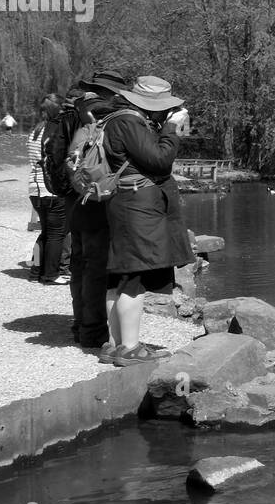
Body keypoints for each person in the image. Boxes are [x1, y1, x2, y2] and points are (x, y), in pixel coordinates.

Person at [96, 76, 193, 366]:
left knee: (118, 277)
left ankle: (115, 344)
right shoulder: (129, 122)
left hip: (126, 202)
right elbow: (160, 161)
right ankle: (130, 348)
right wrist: (172, 129)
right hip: (136, 206)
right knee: (133, 277)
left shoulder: (117, 119)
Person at [65, 71, 130, 349]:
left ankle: (81, 324)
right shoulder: (105, 119)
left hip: (77, 198)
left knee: (80, 264)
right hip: (98, 200)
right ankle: (93, 330)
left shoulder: (74, 118)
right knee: (96, 267)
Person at [28, 95, 70, 284]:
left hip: (34, 187)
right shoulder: (55, 131)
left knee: (44, 232)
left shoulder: (35, 131)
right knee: (56, 234)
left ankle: (36, 270)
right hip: (50, 187)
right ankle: (50, 273)